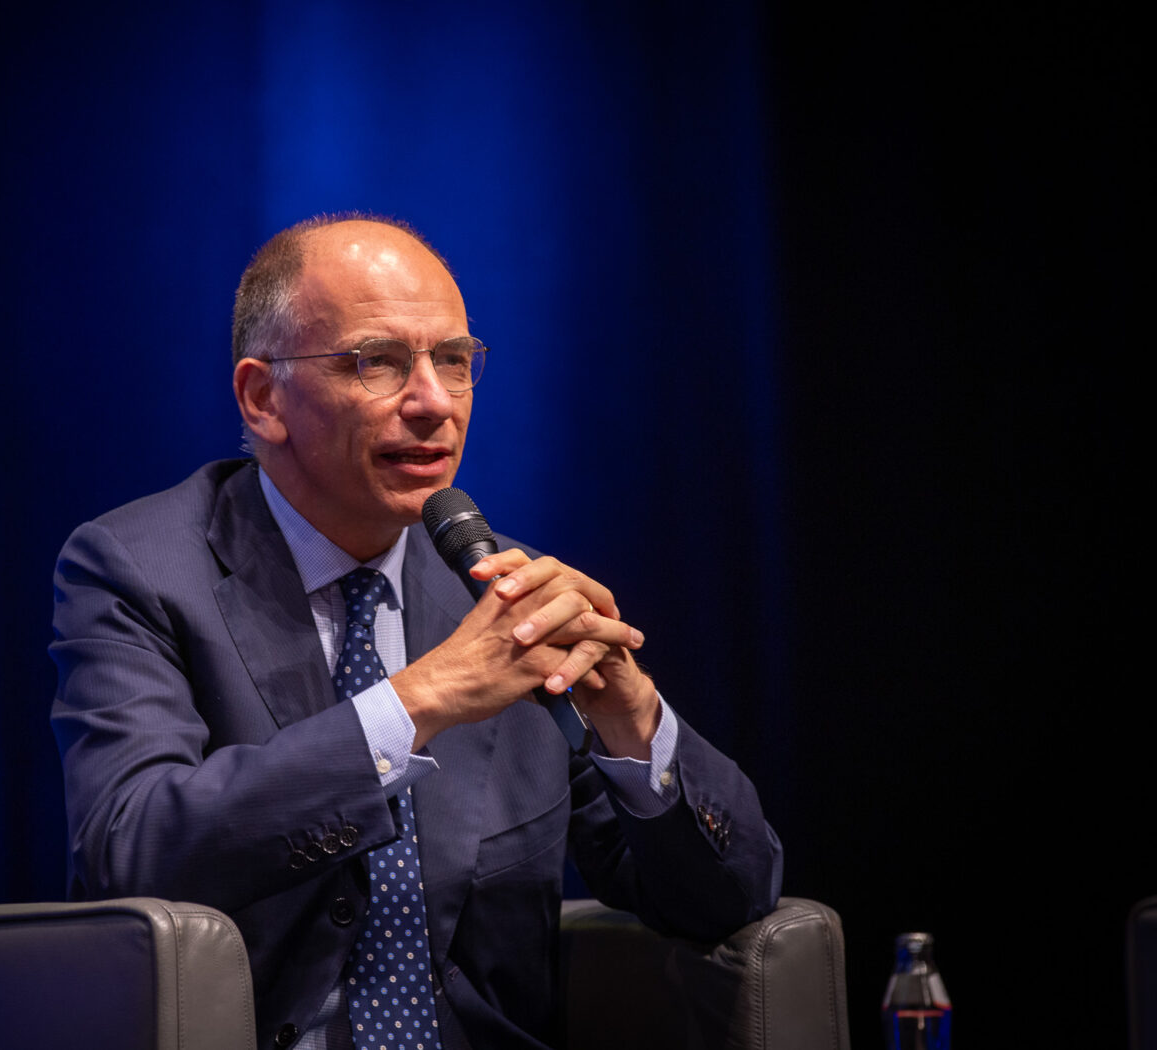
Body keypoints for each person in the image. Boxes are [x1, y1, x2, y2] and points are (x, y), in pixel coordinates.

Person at [51, 214, 783, 1050]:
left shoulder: (508, 596)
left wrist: (635, 725)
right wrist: (421, 700)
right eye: (378, 362)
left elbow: (727, 899)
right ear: (263, 398)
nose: (433, 402)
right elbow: (130, 849)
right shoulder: (138, 570)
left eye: (454, 361)